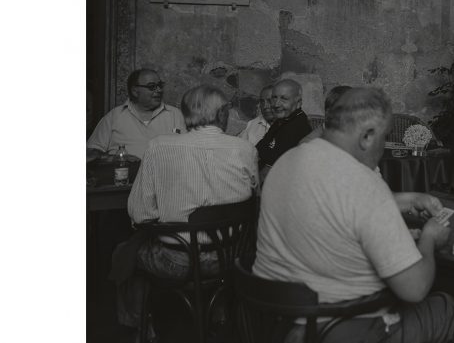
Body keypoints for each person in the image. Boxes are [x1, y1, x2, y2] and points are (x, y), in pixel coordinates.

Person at [253, 87, 454, 343]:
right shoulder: (365, 184)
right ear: (367, 136)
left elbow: (333, 206)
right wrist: (430, 238)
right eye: (383, 138)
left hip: (279, 319)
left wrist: (406, 200)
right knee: (447, 306)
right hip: (341, 327)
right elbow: (415, 288)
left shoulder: (287, 161)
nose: (382, 149)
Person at [119, 84, 259, 329]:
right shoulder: (245, 149)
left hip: (177, 262)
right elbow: (252, 199)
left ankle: (139, 326)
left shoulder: (159, 146)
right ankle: (220, 313)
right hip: (231, 257)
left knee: (123, 252)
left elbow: (141, 214)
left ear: (185, 115)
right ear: (223, 114)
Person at [87, 69, 185, 159]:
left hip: (165, 176)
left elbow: (189, 150)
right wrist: (116, 159)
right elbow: (90, 152)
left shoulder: (175, 115)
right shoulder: (114, 116)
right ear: (135, 91)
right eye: (152, 87)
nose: (159, 90)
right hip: (125, 175)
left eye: (160, 85)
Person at [255, 79, 312, 172]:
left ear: (298, 103)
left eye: (284, 99)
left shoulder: (298, 125)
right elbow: (260, 147)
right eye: (274, 98)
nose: (276, 104)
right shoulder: (284, 119)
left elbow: (276, 162)